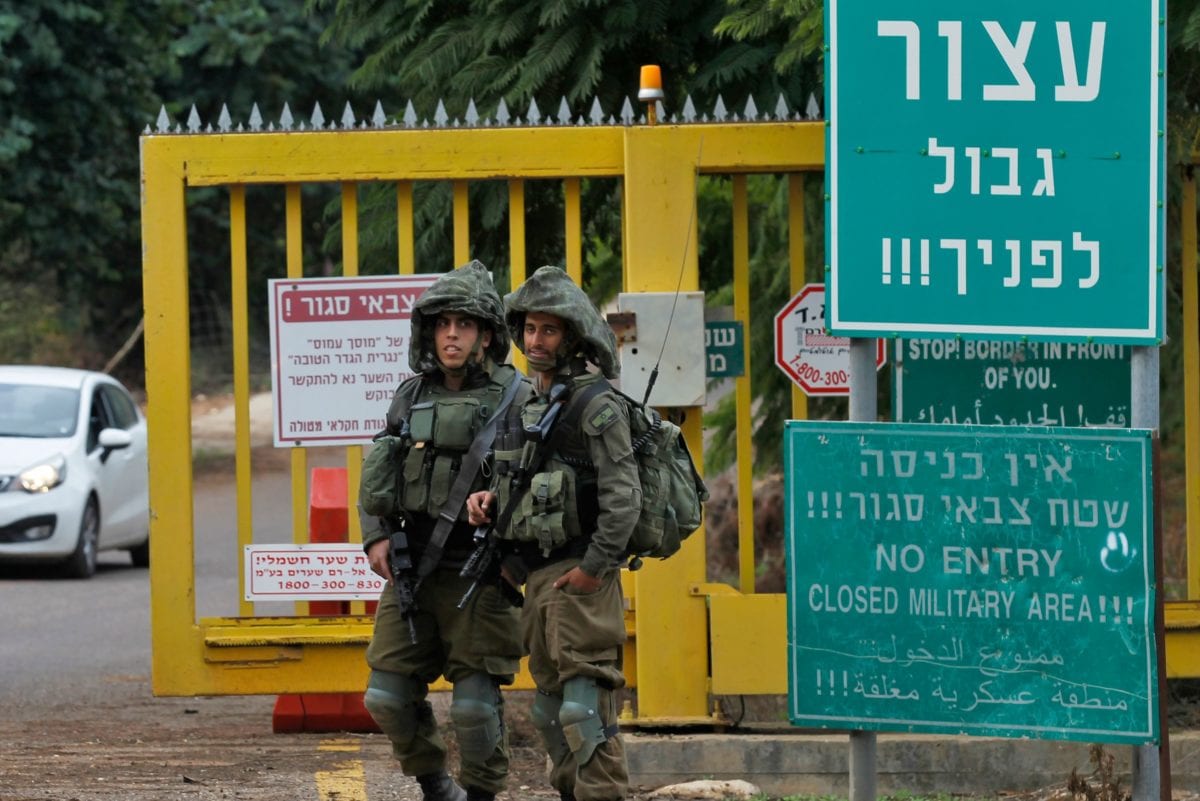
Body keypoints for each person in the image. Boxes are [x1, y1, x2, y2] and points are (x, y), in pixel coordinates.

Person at [359, 260, 531, 801]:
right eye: (442, 324)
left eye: (464, 324)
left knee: (476, 707)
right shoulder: (411, 396)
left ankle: (481, 794)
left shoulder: (517, 397)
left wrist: (509, 539)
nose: (451, 334)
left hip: (482, 572)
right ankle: (435, 784)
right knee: (385, 696)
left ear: (485, 336)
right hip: (415, 571)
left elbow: (542, 482)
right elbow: (380, 472)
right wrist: (377, 535)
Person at [467, 265, 639, 801]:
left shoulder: (596, 406)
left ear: (571, 337)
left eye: (549, 330)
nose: (535, 341)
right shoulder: (531, 403)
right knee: (548, 711)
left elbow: (623, 497)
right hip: (538, 579)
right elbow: (520, 479)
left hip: (579, 576)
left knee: (583, 711)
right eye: (530, 329)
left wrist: (594, 568)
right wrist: (489, 503)